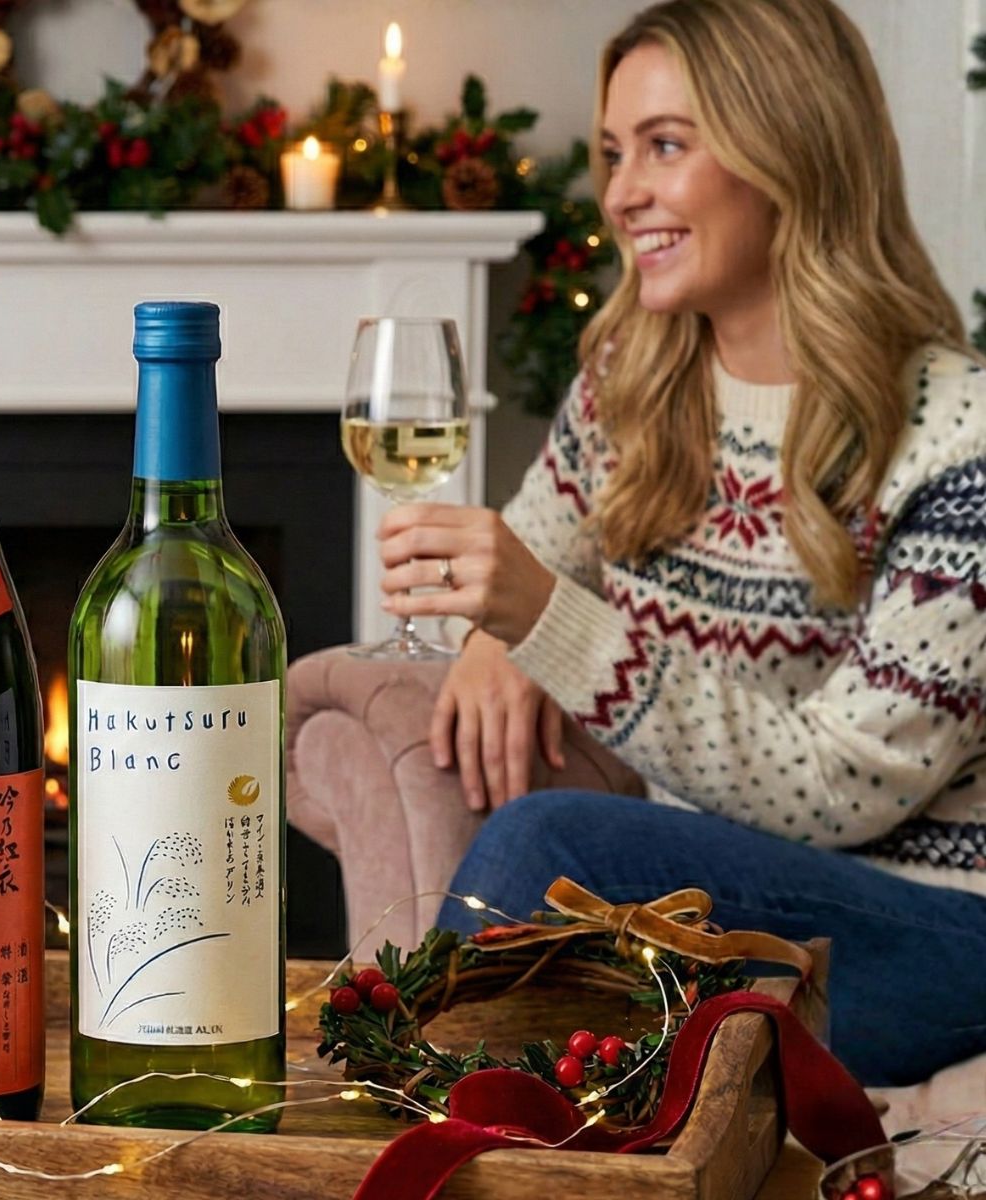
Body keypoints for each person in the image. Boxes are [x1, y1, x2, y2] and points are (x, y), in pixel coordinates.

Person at [376, 0, 986, 1087]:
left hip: (935, 932)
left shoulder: (954, 439)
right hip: (725, 893)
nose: (619, 194)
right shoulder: (634, 383)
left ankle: (401, 1091)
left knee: (551, 847)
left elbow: (841, 787)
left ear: (788, 150)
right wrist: (488, 641)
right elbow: (529, 553)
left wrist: (542, 626)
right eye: (614, 153)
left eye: (665, 146)